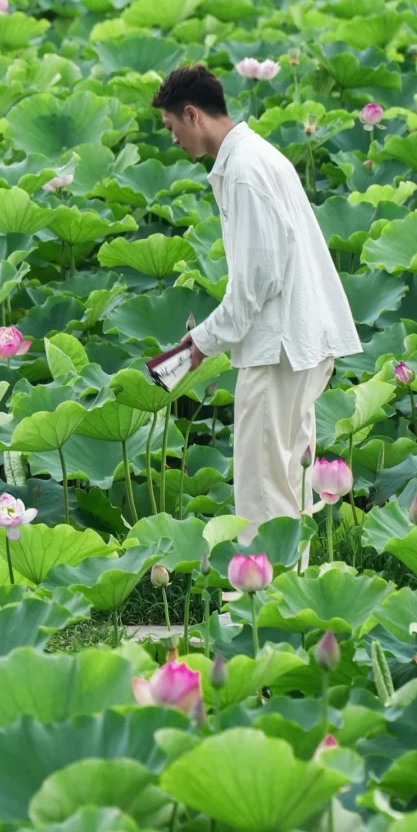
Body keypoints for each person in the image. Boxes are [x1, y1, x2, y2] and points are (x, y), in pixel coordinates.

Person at [152, 64, 361, 538]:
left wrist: (198, 344)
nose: (173, 140)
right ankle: (288, 599)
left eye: (171, 128)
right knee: (287, 483)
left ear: (192, 115)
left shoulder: (245, 171)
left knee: (262, 490)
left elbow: (254, 284)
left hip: (277, 349)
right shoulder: (256, 157)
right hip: (298, 342)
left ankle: (263, 605)